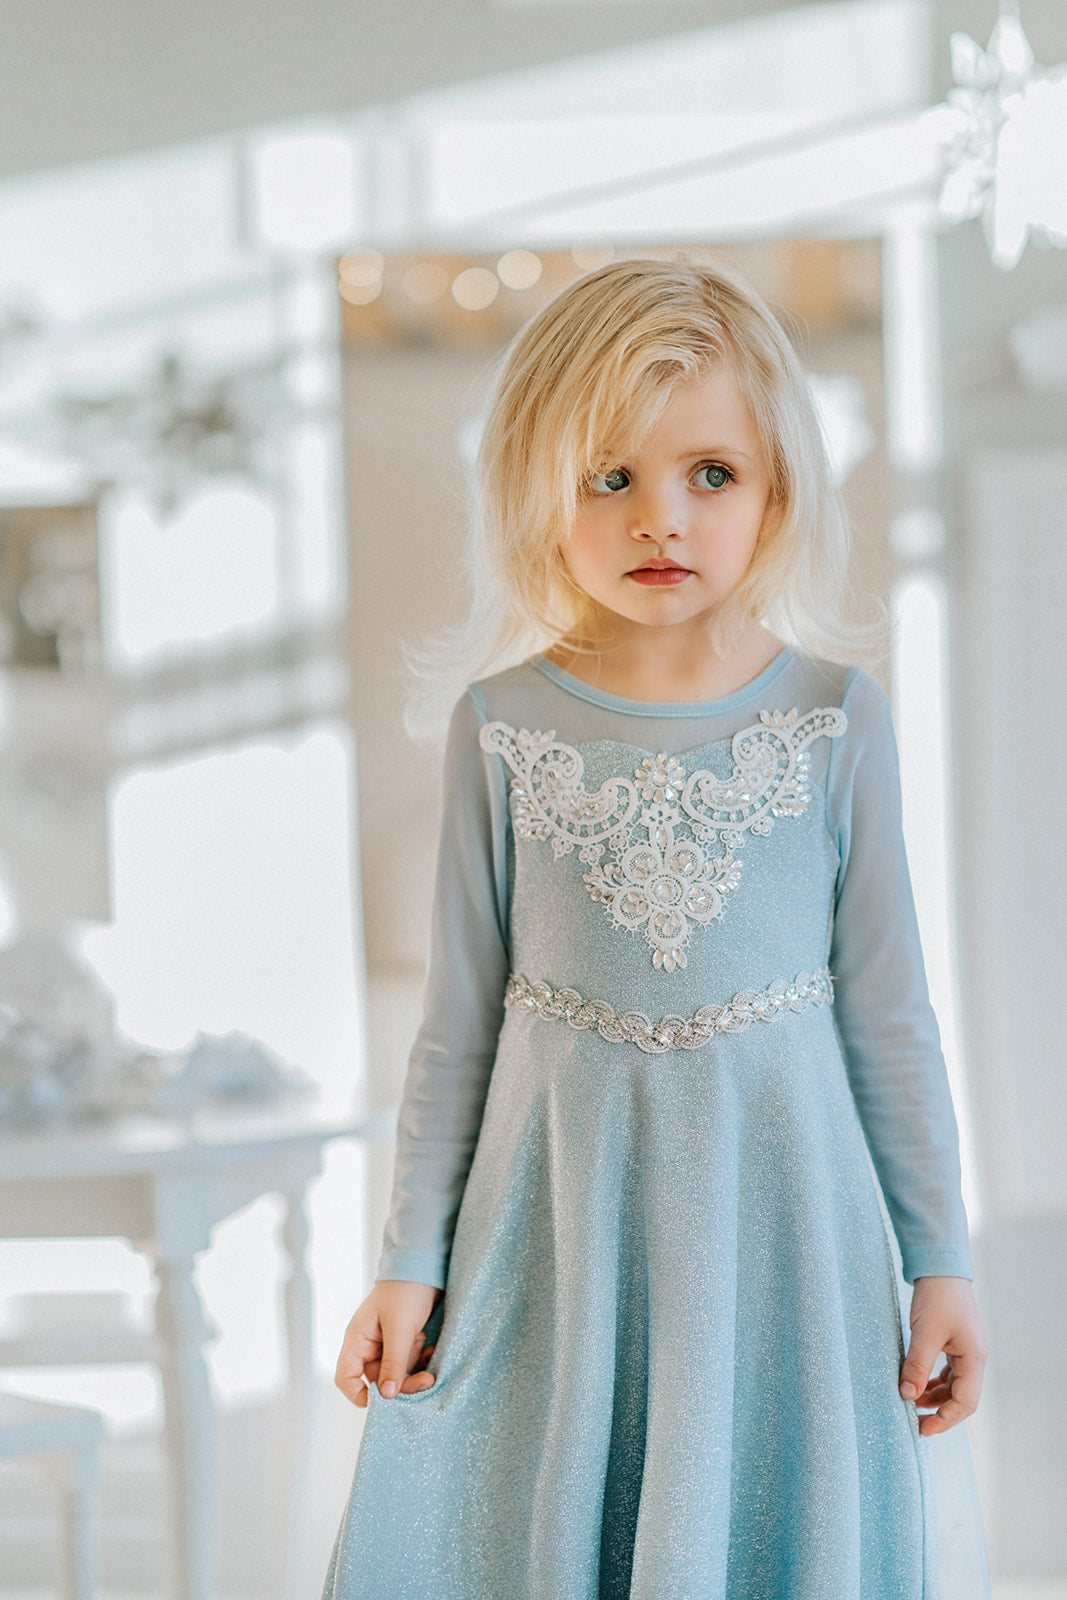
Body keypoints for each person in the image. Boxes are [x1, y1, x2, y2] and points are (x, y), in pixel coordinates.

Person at [323, 256, 989, 1599]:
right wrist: (407, 1258)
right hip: (558, 1224)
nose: (659, 519)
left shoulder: (836, 721)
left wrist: (941, 1260)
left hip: (783, 1223)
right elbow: (455, 1023)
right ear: (535, 489)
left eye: (710, 475)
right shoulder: (501, 727)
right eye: (607, 477)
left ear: (778, 489)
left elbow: (891, 1016)